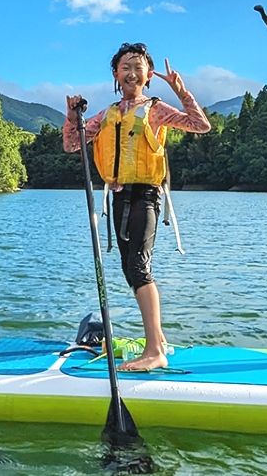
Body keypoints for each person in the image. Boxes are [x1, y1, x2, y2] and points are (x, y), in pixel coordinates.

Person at [64, 42, 211, 371]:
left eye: (138, 66)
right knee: (131, 270)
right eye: (125, 67)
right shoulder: (106, 115)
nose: (132, 72)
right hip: (118, 196)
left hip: (146, 196)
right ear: (116, 74)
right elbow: (73, 144)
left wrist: (181, 90)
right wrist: (71, 116)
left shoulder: (156, 109)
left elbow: (202, 125)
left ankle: (155, 350)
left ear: (148, 75)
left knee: (139, 269)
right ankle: (158, 342)